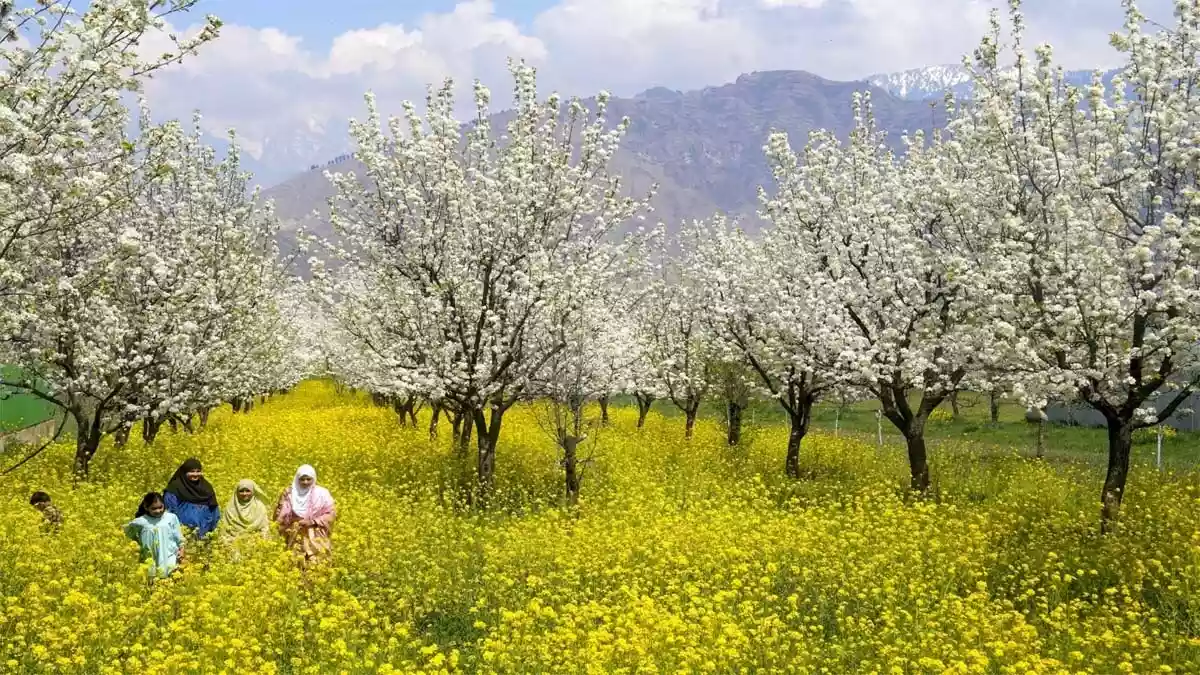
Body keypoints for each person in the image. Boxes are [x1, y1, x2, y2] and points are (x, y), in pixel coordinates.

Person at [274, 465, 336, 564]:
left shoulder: (322, 493)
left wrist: (312, 522)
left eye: (308, 479)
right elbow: (281, 514)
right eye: (302, 479)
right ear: (297, 479)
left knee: (318, 563)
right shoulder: (290, 493)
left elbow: (331, 514)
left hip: (316, 534)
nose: (305, 482)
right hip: (295, 534)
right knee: (295, 563)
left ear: (314, 479)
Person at [124, 492, 185, 578]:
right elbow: (127, 531)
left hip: (169, 554)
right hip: (149, 556)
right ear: (146, 507)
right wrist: (137, 543)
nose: (158, 511)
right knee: (151, 579)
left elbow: (178, 536)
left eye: (160, 507)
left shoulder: (171, 517)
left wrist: (181, 550)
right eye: (154, 508)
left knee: (169, 578)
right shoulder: (141, 521)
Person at [163, 458, 220, 538]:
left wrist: (212, 530)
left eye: (198, 471)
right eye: (192, 471)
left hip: (205, 534)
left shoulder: (206, 487)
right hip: (183, 534)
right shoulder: (175, 487)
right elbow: (169, 512)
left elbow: (214, 509)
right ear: (184, 472)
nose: (195, 474)